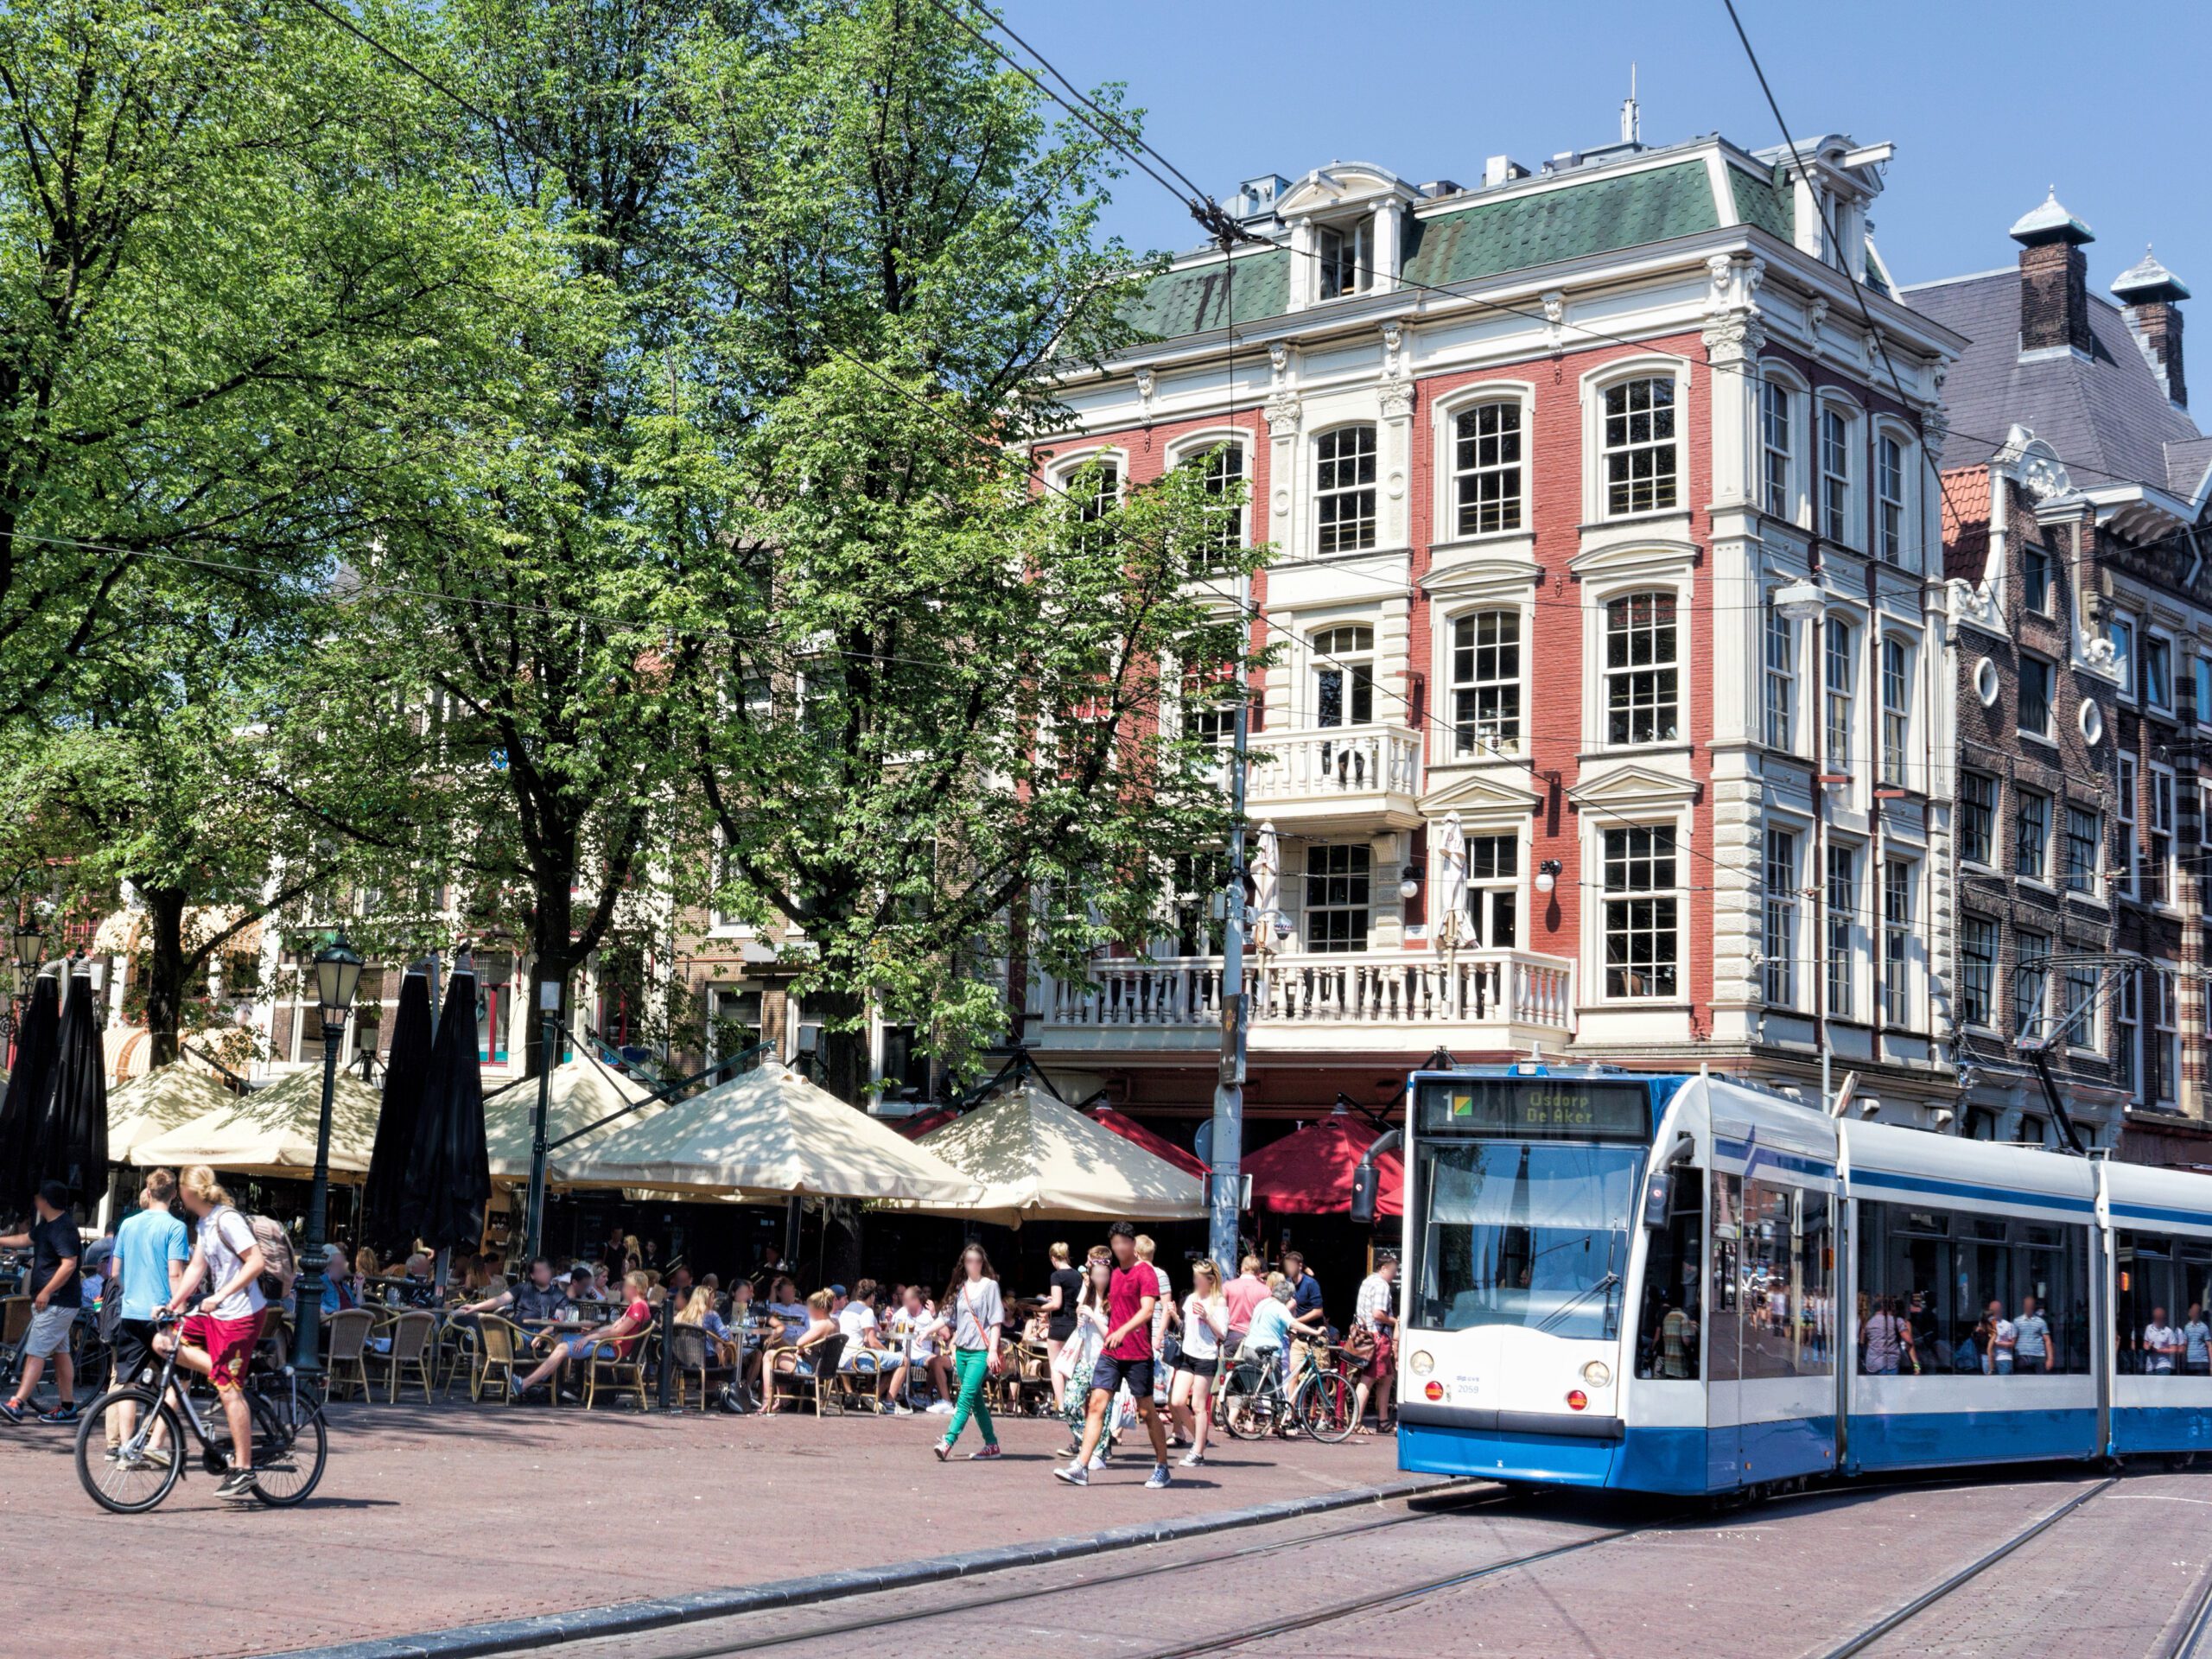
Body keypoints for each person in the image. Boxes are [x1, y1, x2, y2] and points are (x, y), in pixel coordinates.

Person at [157, 1166, 266, 1502]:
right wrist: (171, 1304)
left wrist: (221, 1295)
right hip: (217, 1312)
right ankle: (220, 1372)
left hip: (241, 1315)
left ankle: (244, 1468)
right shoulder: (205, 1223)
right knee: (164, 1339)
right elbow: (196, 1269)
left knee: (228, 1389)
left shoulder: (227, 1220)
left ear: (190, 1193)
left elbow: (256, 1262)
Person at [1058, 1223, 1172, 1489]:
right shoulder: (1116, 1274)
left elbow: (1146, 1311)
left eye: (1124, 1242)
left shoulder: (1146, 1273)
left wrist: (1121, 1331)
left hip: (1137, 1352)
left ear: (1133, 1244)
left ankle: (1162, 1466)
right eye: (1115, 1243)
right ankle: (1082, 1466)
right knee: (1097, 1403)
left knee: (1146, 1411)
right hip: (1111, 1351)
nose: (1120, 1248)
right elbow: (1098, 1295)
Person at [104, 1169, 189, 1459]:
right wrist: (179, 1307)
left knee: (127, 1382)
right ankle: (155, 1442)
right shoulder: (176, 1228)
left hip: (131, 1311)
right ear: (174, 1194)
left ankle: (127, 1449)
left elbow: (115, 1272)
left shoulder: (128, 1224)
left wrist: (132, 1291)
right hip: (161, 1313)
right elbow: (175, 1272)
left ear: (148, 1192)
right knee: (181, 1378)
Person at [0, 1179, 85, 1424]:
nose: (35, 1202)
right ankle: (68, 1407)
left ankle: (17, 1403)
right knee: (61, 1354)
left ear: (45, 1201)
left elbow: (69, 1263)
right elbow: (26, 1239)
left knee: (35, 1352)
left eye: (38, 1198)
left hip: (56, 1302)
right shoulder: (48, 1225)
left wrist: (46, 1291)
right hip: (59, 1302)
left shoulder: (64, 1229)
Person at [511, 1271, 655, 1400]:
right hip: (608, 1346)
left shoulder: (639, 1307)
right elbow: (613, 1326)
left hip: (612, 1351)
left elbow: (617, 1332)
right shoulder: (635, 1306)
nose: (623, 1289)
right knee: (561, 1337)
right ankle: (542, 1380)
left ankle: (525, 1384)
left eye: (625, 1286)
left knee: (562, 1348)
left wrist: (588, 1338)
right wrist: (591, 1333)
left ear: (633, 1288)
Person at [935, 1244, 1005, 1461]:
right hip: (963, 1350)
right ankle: (991, 1444)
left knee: (964, 1397)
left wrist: (993, 1350)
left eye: (977, 1260)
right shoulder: (961, 1287)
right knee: (975, 1400)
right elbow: (946, 1317)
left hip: (981, 1351)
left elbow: (995, 1321)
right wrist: (924, 1331)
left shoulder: (990, 1286)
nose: (973, 1264)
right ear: (963, 1264)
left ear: (983, 1263)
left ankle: (948, 1441)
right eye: (969, 1260)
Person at [1169, 1259, 1226, 1467]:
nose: (1195, 1281)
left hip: (1206, 1356)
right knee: (1176, 1401)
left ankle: (1198, 1451)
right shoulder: (1191, 1298)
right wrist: (1175, 1315)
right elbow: (1186, 1329)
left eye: (1198, 1278)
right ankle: (1199, 1438)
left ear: (1209, 1280)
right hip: (1188, 1354)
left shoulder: (1218, 1301)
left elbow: (1222, 1333)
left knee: (1198, 1405)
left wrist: (1208, 1316)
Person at [764, 1290, 841, 1414]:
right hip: (826, 1368)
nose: (808, 1313)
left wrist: (802, 1348)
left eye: (810, 1310)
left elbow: (800, 1342)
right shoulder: (835, 1323)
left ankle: (768, 1399)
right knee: (778, 1353)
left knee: (769, 1356)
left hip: (812, 1368)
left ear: (819, 1309)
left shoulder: (822, 1325)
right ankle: (782, 1399)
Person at [1351, 1253, 1399, 1435]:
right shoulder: (1381, 1285)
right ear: (1384, 1268)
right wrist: (1395, 1321)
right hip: (1377, 1336)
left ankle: (1383, 1420)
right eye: (1393, 1271)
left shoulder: (1367, 1281)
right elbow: (1378, 1313)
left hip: (1366, 1334)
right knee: (1368, 1379)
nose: (1394, 1275)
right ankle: (1356, 1422)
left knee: (1387, 1377)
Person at [885, 1283, 948, 1415]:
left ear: (916, 1300)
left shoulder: (927, 1315)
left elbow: (946, 1333)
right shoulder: (901, 1312)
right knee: (897, 1359)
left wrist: (934, 1315)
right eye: (904, 1300)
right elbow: (888, 1332)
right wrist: (889, 1321)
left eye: (907, 1300)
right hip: (905, 1352)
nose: (905, 1303)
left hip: (923, 1354)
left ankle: (926, 1396)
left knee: (935, 1361)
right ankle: (899, 1397)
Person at [461, 1255, 569, 1323]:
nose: (544, 1273)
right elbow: (500, 1300)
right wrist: (475, 1306)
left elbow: (557, 1322)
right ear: (532, 1275)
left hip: (543, 1336)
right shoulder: (522, 1288)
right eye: (540, 1271)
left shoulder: (560, 1296)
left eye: (546, 1270)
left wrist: (542, 1335)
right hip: (518, 1332)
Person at [1041, 1242, 1082, 1408]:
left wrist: (1038, 1306)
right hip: (1074, 1325)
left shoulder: (1056, 1276)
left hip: (1058, 1325)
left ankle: (1063, 1406)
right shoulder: (1078, 1275)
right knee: (1073, 1366)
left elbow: (1057, 1304)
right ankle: (1076, 1403)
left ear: (1053, 1258)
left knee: (1056, 1367)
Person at [1223, 1254, 1270, 1351]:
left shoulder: (1228, 1286)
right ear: (1258, 1271)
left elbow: (1220, 1313)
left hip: (1233, 1336)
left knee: (1228, 1365)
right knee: (1253, 1365)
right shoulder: (1266, 1290)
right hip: (1256, 1338)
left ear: (1242, 1268)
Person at [1859, 1296, 1910, 1376]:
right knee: (1888, 1388)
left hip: (1872, 1364)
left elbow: (1862, 1342)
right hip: (1889, 1364)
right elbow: (1909, 1340)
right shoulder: (1896, 1321)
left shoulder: (1869, 1322)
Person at [1281, 1250, 1325, 1329]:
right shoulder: (1287, 1282)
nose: (1288, 1269)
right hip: (1293, 1329)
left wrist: (1295, 1321)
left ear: (1300, 1266)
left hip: (1311, 1330)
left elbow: (1318, 1312)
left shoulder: (1311, 1284)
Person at [2013, 1294, 2053, 1374]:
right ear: (2024, 1306)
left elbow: (2047, 1341)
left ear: (2033, 1306)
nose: (2029, 1307)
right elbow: (2014, 1339)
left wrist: (2050, 1359)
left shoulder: (2041, 1322)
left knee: (2040, 1383)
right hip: (2022, 1356)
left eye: (2031, 1305)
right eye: (2027, 1305)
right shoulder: (2017, 1321)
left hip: (2038, 1357)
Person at [2145, 1306, 2183, 1376]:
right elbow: (2145, 1344)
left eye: (2161, 1318)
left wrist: (2159, 1350)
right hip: (2150, 1366)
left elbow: (2174, 1349)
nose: (2159, 1320)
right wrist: (2149, 1347)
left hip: (2163, 1366)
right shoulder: (2149, 1328)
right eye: (2157, 1318)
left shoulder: (2168, 1331)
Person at [2184, 1302, 2211, 1377]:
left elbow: (2209, 1345)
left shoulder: (2204, 1327)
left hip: (2202, 1361)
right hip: (2191, 1361)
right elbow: (2185, 1344)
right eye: (2193, 1311)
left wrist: (2211, 1364)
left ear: (2199, 1314)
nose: (2195, 1314)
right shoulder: (2187, 1327)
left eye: (2196, 1312)